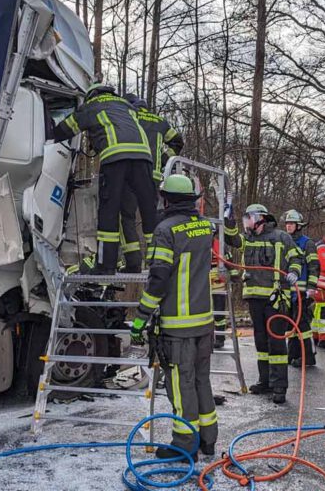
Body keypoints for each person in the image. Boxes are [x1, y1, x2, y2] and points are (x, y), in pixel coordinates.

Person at [130, 174, 216, 459]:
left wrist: (141, 316)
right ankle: (208, 440)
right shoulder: (205, 226)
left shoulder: (165, 230)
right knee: (202, 380)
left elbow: (158, 279)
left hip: (178, 326)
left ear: (166, 198)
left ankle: (183, 444)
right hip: (204, 322)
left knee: (180, 386)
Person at [53, 83, 156, 274]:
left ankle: (106, 266)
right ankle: (150, 262)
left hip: (115, 160)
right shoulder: (126, 106)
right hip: (143, 159)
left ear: (92, 94)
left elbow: (66, 129)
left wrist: (49, 136)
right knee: (146, 212)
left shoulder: (92, 105)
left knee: (109, 213)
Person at [223, 203, 301, 404]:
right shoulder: (248, 238)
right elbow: (232, 239)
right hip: (254, 298)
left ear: (261, 218)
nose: (247, 222)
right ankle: (264, 381)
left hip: (276, 298)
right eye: (245, 218)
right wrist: (228, 221)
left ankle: (279, 387)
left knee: (276, 342)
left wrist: (294, 273)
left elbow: (295, 258)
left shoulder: (281, 237)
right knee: (260, 342)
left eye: (250, 218)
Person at [119, 93, 185, 271]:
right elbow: (177, 141)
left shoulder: (125, 117)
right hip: (152, 177)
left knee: (127, 217)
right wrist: (164, 160)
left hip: (128, 175)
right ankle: (156, 259)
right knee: (151, 219)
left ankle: (133, 261)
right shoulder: (159, 121)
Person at [281, 209, 319, 367]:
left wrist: (311, 287)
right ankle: (293, 355)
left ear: (298, 225)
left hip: (302, 292)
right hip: (287, 292)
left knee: (303, 326)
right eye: (287, 224)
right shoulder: (283, 241)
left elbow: (314, 267)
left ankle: (308, 357)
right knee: (292, 325)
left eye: (291, 224)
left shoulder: (307, 243)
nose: (288, 226)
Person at [210, 234, 237, 349]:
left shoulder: (220, 246)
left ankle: (220, 339)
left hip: (218, 284)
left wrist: (234, 275)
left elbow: (229, 261)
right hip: (202, 285)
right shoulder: (197, 244)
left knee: (219, 313)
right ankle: (205, 339)